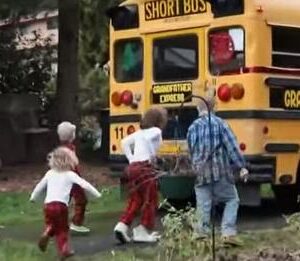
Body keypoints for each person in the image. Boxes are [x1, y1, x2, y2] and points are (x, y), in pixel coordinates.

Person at [186, 95, 248, 246]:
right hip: (220, 171)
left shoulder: (192, 128)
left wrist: (195, 166)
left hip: (200, 173)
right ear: (214, 107)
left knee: (203, 204)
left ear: (197, 108)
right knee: (232, 199)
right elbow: (232, 146)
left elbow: (190, 151)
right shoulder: (221, 124)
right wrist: (242, 166)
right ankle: (227, 233)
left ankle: (201, 236)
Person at [30, 147, 101, 260]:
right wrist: (97, 194)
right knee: (62, 229)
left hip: (48, 205)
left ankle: (47, 231)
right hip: (61, 206)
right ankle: (64, 249)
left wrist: (33, 197)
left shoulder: (49, 173)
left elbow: (39, 187)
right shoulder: (70, 174)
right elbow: (85, 184)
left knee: (52, 224)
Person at [114, 107, 168, 243]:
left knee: (136, 199)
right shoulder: (156, 130)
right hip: (145, 167)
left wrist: (131, 159)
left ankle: (122, 225)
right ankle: (142, 230)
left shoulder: (139, 133)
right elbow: (149, 140)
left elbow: (124, 142)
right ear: (159, 120)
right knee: (151, 199)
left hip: (132, 168)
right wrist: (152, 156)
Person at [57, 121, 90, 233]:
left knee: (64, 200)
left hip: (63, 178)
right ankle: (76, 222)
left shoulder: (61, 149)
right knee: (81, 200)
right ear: (72, 135)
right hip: (72, 179)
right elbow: (73, 166)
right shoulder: (70, 149)